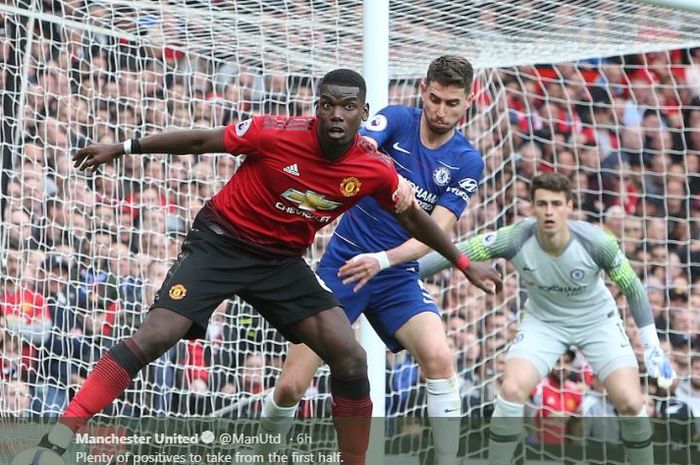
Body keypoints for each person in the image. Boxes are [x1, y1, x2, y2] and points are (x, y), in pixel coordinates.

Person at [34, 69, 500, 465]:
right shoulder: (276, 133)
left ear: (363, 112)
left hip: (280, 262)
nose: (336, 115)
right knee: (156, 335)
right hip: (220, 243)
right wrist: (124, 147)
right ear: (317, 108)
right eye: (328, 105)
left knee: (350, 356)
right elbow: (201, 139)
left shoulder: (373, 169)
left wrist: (463, 263)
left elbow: (417, 220)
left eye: (347, 107)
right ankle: (56, 442)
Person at [258, 56, 493, 465]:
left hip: (395, 273)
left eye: (452, 103)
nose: (440, 111)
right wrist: (386, 170)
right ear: (423, 90)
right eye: (435, 99)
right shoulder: (397, 121)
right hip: (343, 266)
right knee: (291, 387)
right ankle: (262, 453)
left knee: (439, 357)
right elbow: (352, 148)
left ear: (467, 102)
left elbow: (433, 234)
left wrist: (382, 261)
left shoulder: (466, 160)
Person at [418, 172, 675, 465]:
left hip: (597, 323)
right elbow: (457, 252)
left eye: (556, 204)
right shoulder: (515, 237)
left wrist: (651, 343)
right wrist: (406, 270)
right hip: (544, 322)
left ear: (569, 206)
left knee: (631, 402)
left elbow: (633, 288)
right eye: (542, 204)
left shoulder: (596, 242)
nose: (549, 211)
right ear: (532, 206)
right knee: (512, 390)